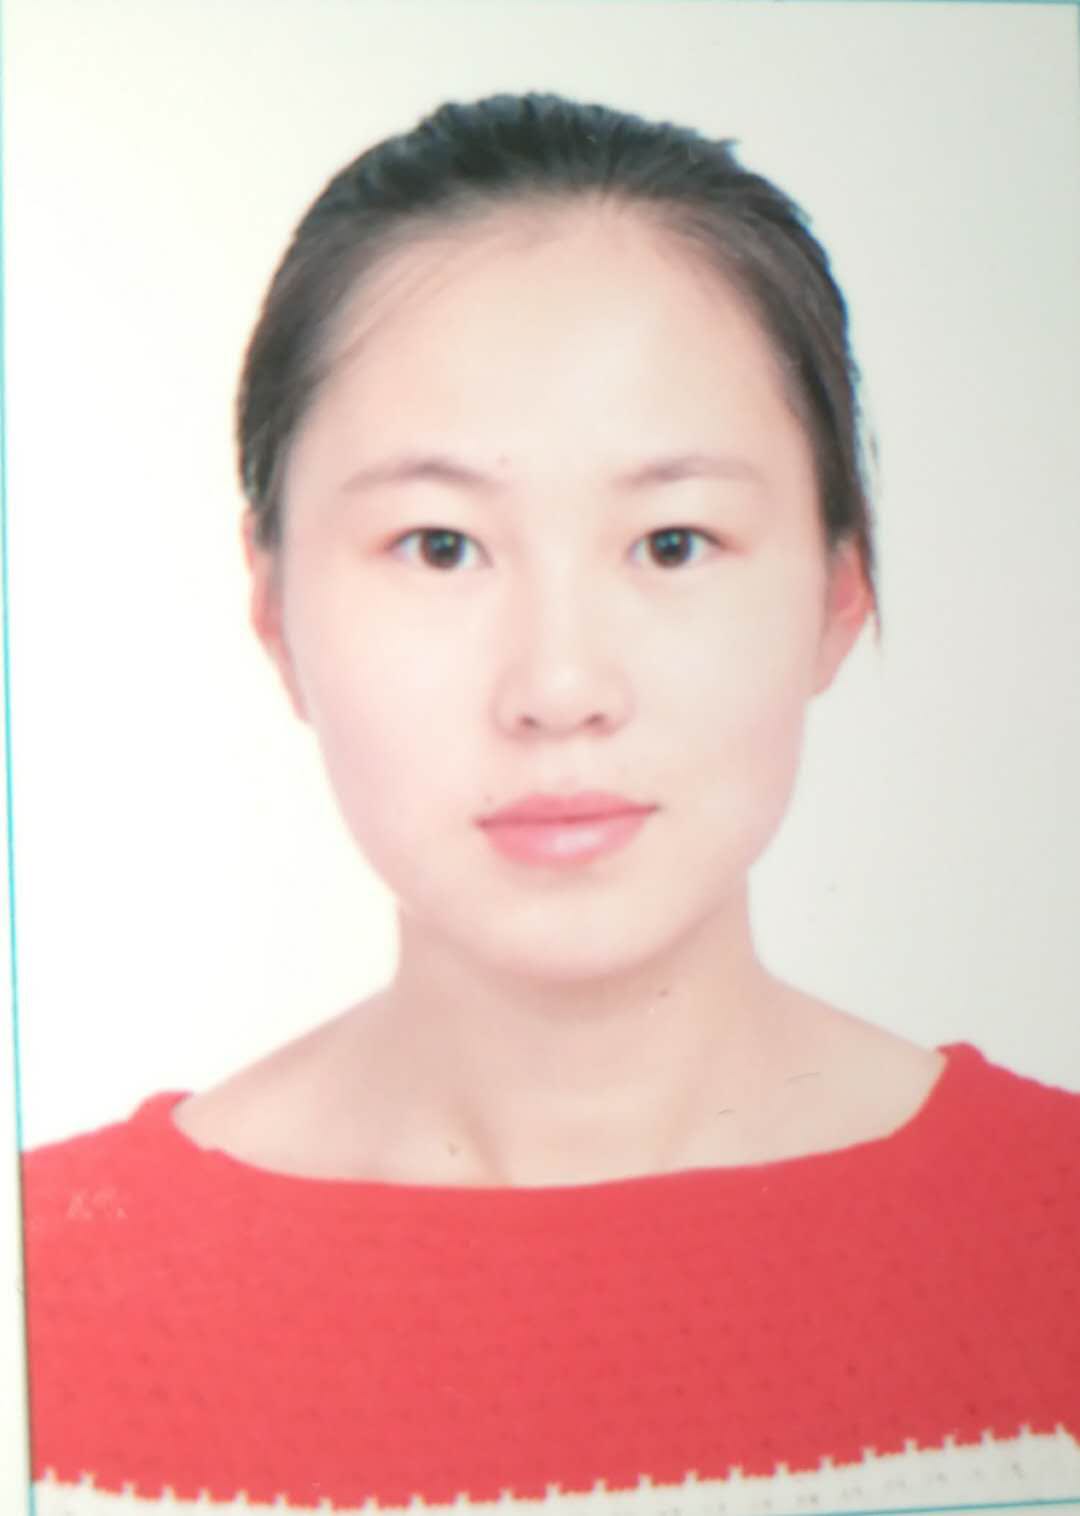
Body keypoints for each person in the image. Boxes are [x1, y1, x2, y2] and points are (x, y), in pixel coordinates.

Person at [21, 92, 1080, 1516]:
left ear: (840, 590)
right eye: (440, 545)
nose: (561, 686)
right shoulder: (44, 1296)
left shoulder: (1056, 1237)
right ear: (273, 609)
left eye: (673, 542)